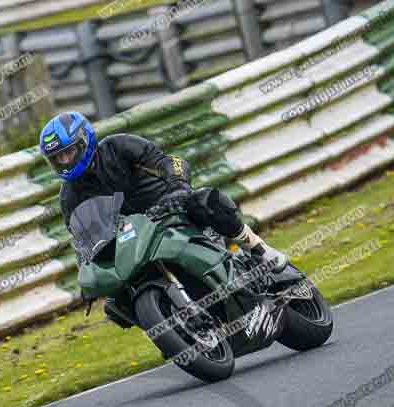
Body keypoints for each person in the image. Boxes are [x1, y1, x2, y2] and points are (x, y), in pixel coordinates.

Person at [39, 111, 288, 326]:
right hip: (133, 238)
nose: (64, 161)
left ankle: (259, 248)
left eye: (68, 153)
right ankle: (174, 327)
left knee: (205, 200)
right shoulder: (69, 196)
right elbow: (81, 236)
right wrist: (87, 269)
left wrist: (178, 188)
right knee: (115, 304)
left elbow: (169, 162)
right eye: (57, 158)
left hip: (170, 209)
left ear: (84, 140)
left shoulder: (118, 146)